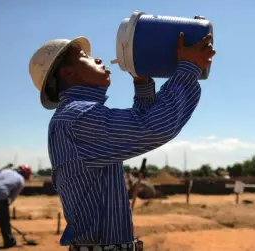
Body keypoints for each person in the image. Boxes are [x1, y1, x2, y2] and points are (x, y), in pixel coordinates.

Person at [29, 32, 215, 251]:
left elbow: (140, 124)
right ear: (69, 73)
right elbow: (154, 127)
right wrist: (188, 68)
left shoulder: (75, 116)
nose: (98, 59)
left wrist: (142, 82)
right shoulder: (78, 117)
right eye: (85, 57)